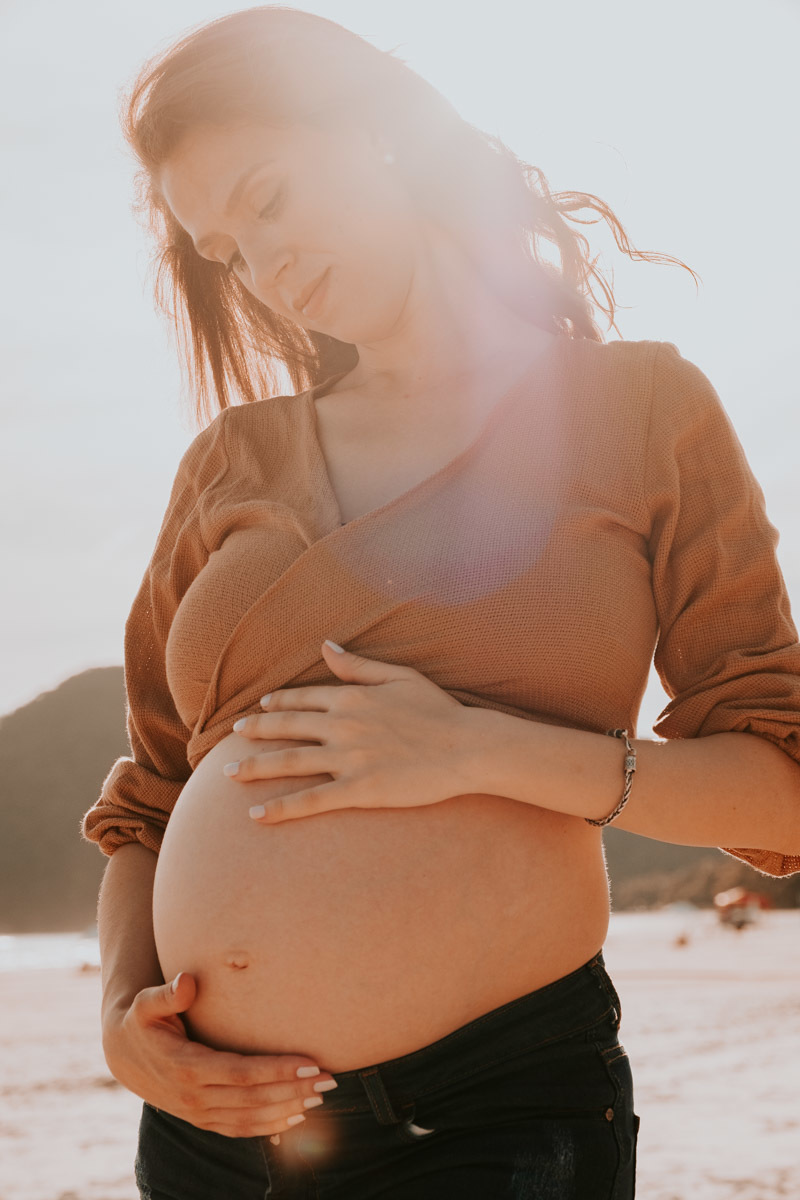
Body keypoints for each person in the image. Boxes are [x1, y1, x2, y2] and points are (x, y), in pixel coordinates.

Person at [80, 7, 800, 1198]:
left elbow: (777, 784)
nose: (265, 270)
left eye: (268, 200)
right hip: (213, 1132)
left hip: (490, 1113)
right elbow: (149, 802)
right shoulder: (230, 462)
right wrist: (120, 1025)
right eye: (226, 250)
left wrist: (477, 750)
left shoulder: (638, 411)